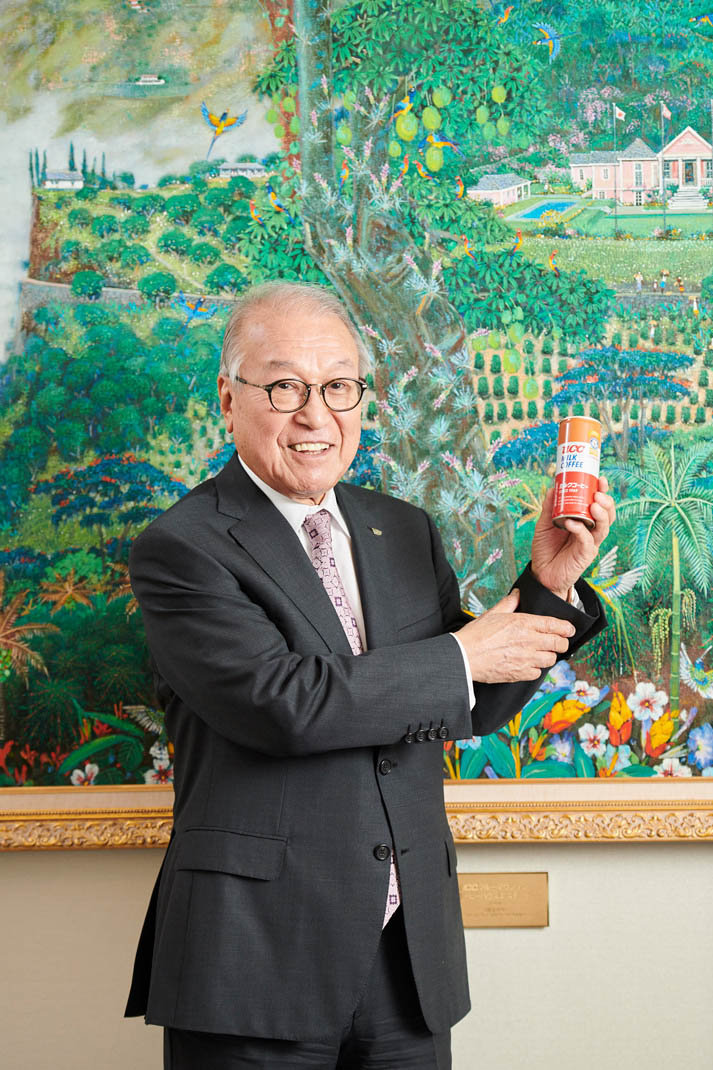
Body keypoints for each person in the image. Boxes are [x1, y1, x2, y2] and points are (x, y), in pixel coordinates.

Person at [125, 282, 612, 1069]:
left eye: (340, 385)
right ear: (228, 397)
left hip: (406, 956)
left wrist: (548, 584)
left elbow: (465, 701)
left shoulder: (401, 530)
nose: (316, 415)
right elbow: (281, 705)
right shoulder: (181, 548)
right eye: (284, 385)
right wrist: (462, 654)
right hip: (254, 957)